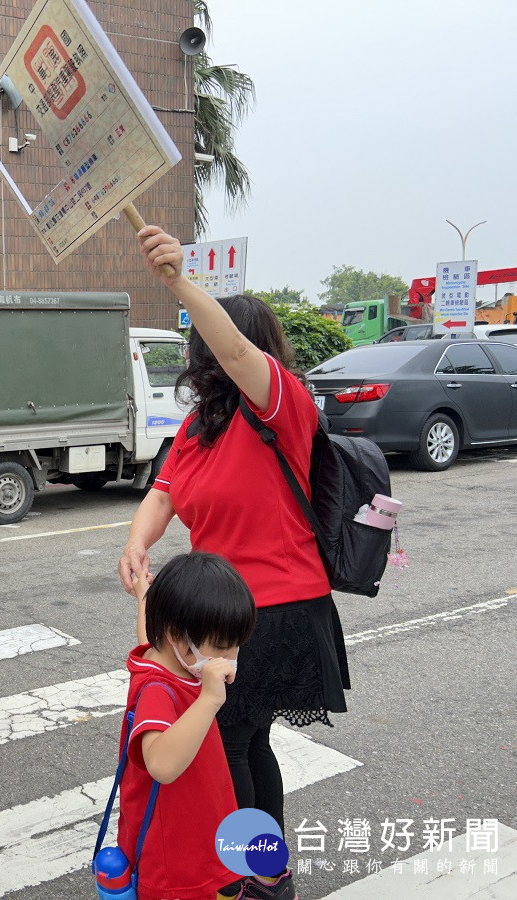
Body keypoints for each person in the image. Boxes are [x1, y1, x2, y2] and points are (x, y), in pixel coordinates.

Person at [119, 225, 349, 900]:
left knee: (224, 747)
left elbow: (237, 351)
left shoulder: (279, 405)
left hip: (274, 614)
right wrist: (137, 543)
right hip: (219, 614)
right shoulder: (200, 428)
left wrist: (179, 284)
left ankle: (246, 880)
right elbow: (162, 494)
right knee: (245, 744)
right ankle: (267, 875)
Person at [117, 553, 255, 900]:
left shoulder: (164, 654)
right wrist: (209, 699)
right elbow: (162, 765)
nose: (230, 658)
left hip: (195, 821)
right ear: (178, 637)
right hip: (174, 855)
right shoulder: (158, 690)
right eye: (223, 648)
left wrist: (143, 594)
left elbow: (148, 629)